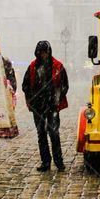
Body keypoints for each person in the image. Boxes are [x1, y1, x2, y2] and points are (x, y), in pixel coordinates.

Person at [23, 40, 69, 172]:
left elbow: (65, 85)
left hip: (52, 105)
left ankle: (58, 161)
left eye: (45, 52)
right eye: (41, 53)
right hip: (38, 106)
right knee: (41, 134)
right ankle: (46, 162)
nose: (43, 55)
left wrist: (57, 97)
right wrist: (32, 97)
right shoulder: (32, 67)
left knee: (54, 133)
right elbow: (25, 84)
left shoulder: (57, 66)